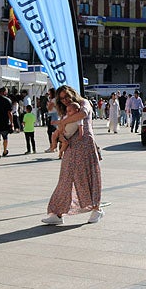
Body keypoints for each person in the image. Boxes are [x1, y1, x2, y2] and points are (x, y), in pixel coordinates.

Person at [41, 84, 103, 225]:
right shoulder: (65, 111)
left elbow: (83, 114)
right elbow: (62, 130)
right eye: (62, 99)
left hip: (85, 145)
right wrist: (61, 136)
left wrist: (62, 122)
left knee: (88, 177)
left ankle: (96, 209)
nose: (65, 100)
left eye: (67, 96)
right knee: (65, 178)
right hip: (70, 146)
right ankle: (57, 213)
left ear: (72, 93)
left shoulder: (83, 103)